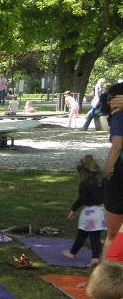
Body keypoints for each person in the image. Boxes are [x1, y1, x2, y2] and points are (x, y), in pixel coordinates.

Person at [64, 154, 106, 266]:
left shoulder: (85, 183)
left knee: (82, 234)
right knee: (96, 236)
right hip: (102, 212)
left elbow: (82, 199)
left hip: (89, 213)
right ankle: (95, 258)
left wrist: (73, 209)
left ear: (82, 171)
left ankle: (72, 253)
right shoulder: (103, 180)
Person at [102, 84, 123, 257]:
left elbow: (117, 146)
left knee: (113, 235)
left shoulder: (119, 116)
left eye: (110, 97)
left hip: (120, 178)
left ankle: (104, 282)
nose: (108, 101)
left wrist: (104, 174)